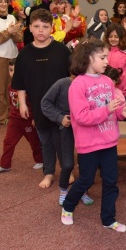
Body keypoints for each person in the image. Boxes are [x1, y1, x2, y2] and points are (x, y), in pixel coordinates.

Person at [61, 38, 126, 230]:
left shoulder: (107, 82)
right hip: (89, 143)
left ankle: (108, 219)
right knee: (86, 180)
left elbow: (112, 109)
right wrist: (108, 109)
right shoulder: (78, 84)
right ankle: (68, 206)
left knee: (111, 181)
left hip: (109, 141)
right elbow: (81, 117)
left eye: (107, 57)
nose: (106, 62)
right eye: (102, 57)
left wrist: (121, 112)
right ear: (88, 58)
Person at [12, 8, 71, 189]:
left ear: (51, 28)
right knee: (45, 141)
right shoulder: (24, 54)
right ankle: (49, 172)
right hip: (38, 105)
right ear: (29, 28)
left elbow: (74, 79)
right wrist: (22, 104)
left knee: (63, 141)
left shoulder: (62, 51)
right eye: (36, 26)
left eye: (45, 27)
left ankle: (67, 171)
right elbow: (19, 82)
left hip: (62, 107)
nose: (40, 31)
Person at [41, 72, 94, 206]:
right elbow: (45, 103)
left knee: (85, 162)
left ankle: (83, 191)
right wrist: (60, 118)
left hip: (84, 127)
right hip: (65, 127)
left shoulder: (89, 83)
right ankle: (63, 190)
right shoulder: (62, 83)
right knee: (68, 163)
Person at [0, 59, 43, 173]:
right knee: (8, 142)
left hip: (28, 120)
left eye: (16, 70)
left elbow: (35, 103)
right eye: (10, 70)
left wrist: (35, 118)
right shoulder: (10, 86)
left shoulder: (30, 87)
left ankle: (40, 160)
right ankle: (5, 165)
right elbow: (12, 103)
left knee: (34, 142)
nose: (13, 73)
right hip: (14, 120)